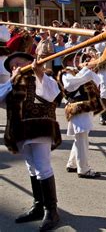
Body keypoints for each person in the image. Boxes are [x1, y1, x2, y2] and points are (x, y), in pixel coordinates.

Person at [1, 52, 61, 230]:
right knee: (31, 166)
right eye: (12, 66)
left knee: (42, 166)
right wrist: (12, 80)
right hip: (20, 130)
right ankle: (38, 206)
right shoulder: (12, 83)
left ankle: (52, 210)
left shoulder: (42, 77)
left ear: (30, 62)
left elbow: (54, 95)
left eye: (19, 63)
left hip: (39, 127)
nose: (16, 67)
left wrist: (40, 73)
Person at [60, 52, 102, 179]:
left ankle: (72, 164)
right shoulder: (65, 72)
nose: (80, 61)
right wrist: (85, 70)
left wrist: (89, 67)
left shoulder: (81, 71)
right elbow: (69, 86)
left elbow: (97, 80)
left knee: (81, 137)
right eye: (76, 59)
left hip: (86, 107)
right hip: (77, 108)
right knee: (82, 139)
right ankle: (83, 169)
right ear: (68, 62)